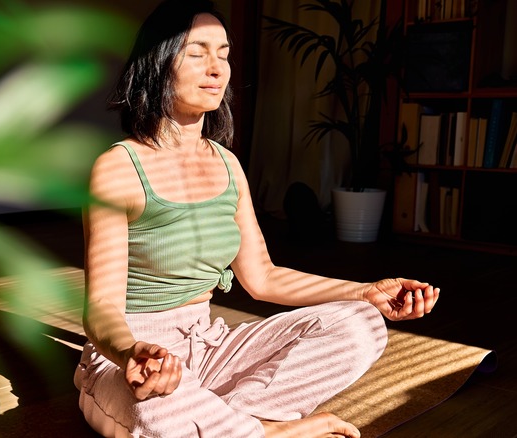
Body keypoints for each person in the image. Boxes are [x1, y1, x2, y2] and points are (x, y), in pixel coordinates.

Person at [73, 1, 440, 437]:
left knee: (361, 324)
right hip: (137, 359)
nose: (217, 69)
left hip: (209, 347)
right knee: (155, 413)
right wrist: (131, 352)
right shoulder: (118, 168)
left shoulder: (226, 164)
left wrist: (366, 292)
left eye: (224, 54)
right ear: (157, 63)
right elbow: (102, 307)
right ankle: (261, 429)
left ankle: (240, 424)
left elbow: (263, 277)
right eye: (197, 53)